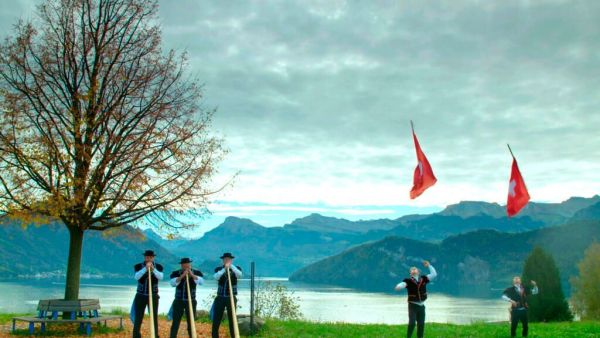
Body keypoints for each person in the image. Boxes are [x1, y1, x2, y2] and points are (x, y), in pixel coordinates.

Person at [394, 260, 437, 338]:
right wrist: (399, 286)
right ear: (410, 273)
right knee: (412, 323)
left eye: (415, 269)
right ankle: (408, 336)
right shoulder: (408, 281)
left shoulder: (424, 279)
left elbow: (434, 274)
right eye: (412, 270)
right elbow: (403, 284)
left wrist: (429, 266)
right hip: (412, 306)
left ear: (418, 272)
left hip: (421, 306)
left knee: (421, 324)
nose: (413, 270)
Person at [169, 257, 204, 338]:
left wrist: (192, 275)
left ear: (190, 264)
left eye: (187, 264)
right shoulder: (176, 273)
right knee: (175, 322)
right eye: (184, 264)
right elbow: (172, 283)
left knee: (191, 322)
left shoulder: (196, 272)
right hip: (179, 301)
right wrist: (182, 276)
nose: (186, 266)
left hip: (191, 301)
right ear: (181, 265)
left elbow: (201, 282)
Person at [132, 250, 163, 338]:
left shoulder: (159, 266)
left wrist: (153, 269)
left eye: (150, 257)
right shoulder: (138, 266)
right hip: (140, 296)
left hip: (153, 296)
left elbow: (160, 277)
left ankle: (155, 335)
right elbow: (136, 277)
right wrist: (145, 268)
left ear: (153, 258)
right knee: (138, 317)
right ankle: (136, 336)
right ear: (144, 257)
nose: (148, 258)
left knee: (154, 317)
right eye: (147, 257)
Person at [211, 252, 243, 338]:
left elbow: (239, 275)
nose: (227, 260)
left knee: (232, 320)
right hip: (220, 297)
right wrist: (224, 269)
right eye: (225, 259)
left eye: (228, 259)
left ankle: (234, 336)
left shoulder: (237, 268)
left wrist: (231, 266)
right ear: (223, 260)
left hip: (231, 297)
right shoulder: (218, 269)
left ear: (231, 260)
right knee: (216, 319)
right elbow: (216, 277)